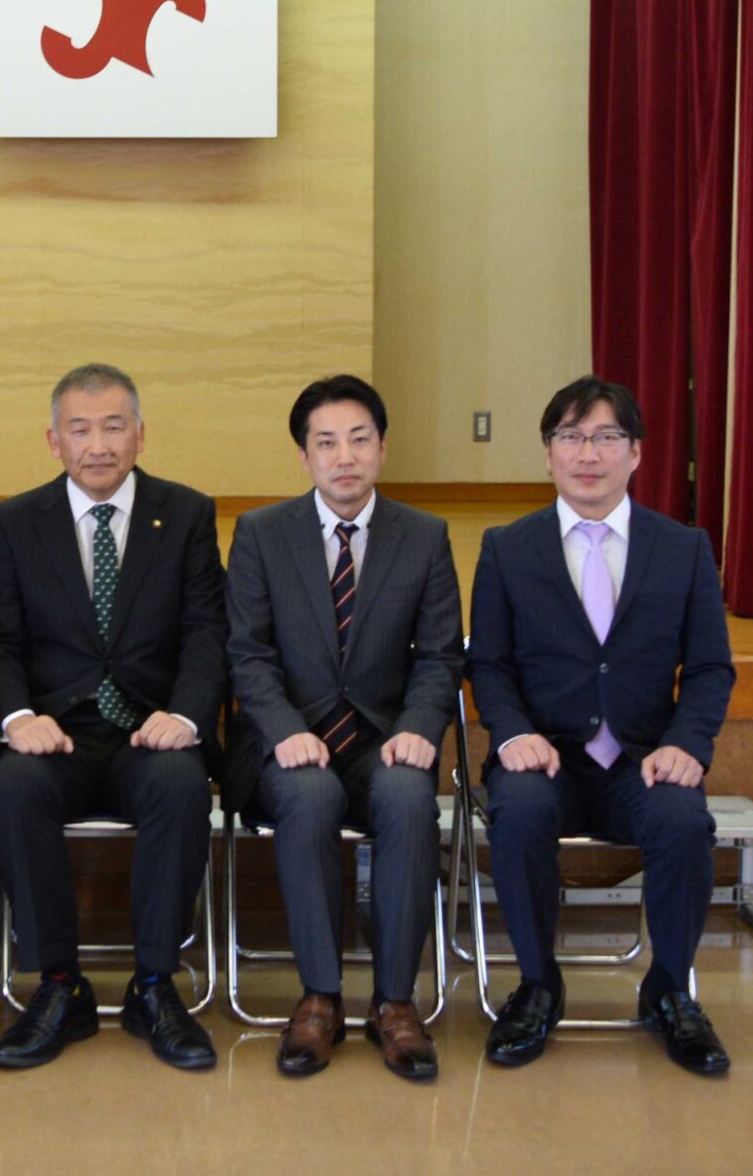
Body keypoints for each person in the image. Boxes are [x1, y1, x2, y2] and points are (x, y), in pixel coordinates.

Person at [467, 375, 737, 1076]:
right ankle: (537, 985)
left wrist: (687, 744)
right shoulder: (507, 548)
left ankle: (669, 990)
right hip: (544, 756)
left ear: (636, 453)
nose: (588, 454)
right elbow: (488, 663)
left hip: (641, 759)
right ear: (548, 453)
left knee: (683, 820)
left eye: (607, 437)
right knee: (519, 812)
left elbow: (711, 667)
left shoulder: (683, 549)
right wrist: (511, 733)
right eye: (571, 437)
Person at [0, 363, 226, 1073]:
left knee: (180, 785)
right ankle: (60, 985)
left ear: (140, 435)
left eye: (114, 427)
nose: (98, 445)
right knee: (13, 786)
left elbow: (207, 633)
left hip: (150, 729)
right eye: (80, 429)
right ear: (53, 440)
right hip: (55, 730)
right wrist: (18, 717)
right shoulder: (15, 521)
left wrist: (186, 715)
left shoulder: (185, 514)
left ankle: (155, 985)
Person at [225, 375, 461, 1080]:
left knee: (409, 796)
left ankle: (395, 1001)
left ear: (383, 448)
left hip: (383, 738)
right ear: (305, 457)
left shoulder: (424, 536)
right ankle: (320, 997)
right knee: (309, 795)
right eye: (326, 443)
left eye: (359, 439)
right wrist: (282, 729)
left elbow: (441, 654)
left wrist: (419, 726)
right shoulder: (262, 533)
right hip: (287, 743)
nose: (345, 456)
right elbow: (247, 652)